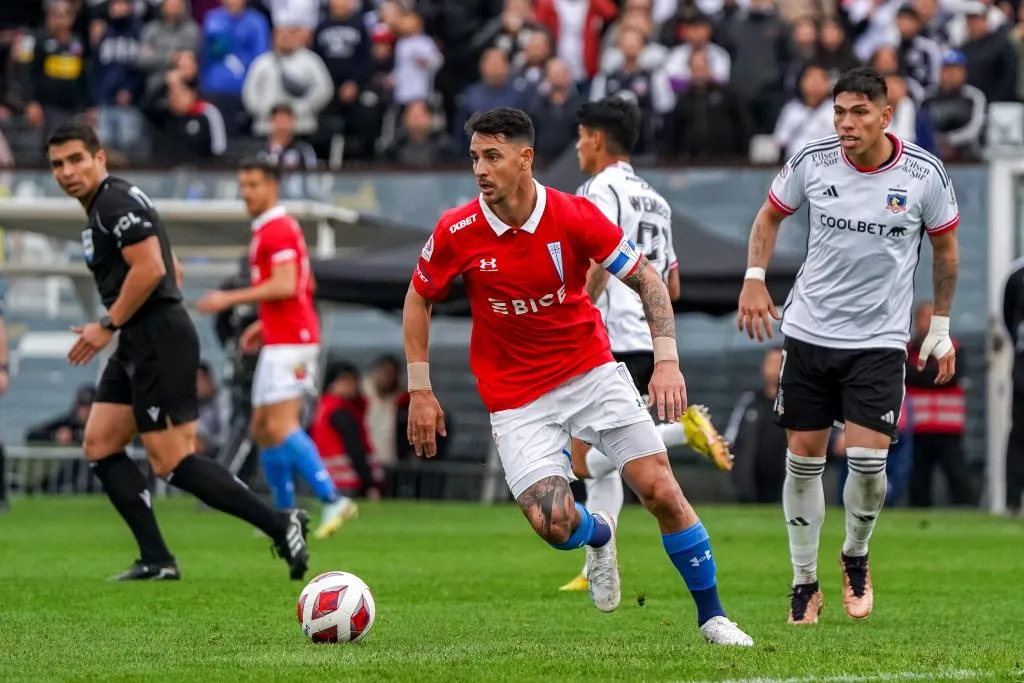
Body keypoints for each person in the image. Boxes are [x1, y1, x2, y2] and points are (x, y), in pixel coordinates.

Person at [404, 107, 753, 646]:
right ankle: (599, 533)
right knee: (556, 524)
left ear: (526, 159)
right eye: (474, 157)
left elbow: (649, 280)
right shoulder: (458, 229)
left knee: (660, 488)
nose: (480, 169)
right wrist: (420, 389)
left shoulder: (573, 214)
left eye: (492, 156)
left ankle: (713, 617)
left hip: (590, 372)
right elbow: (418, 297)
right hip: (517, 398)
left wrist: (666, 361)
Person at [737, 66, 959, 624]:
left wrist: (940, 328)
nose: (846, 123)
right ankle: (803, 582)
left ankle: (855, 556)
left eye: (859, 112)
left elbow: (947, 251)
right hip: (809, 332)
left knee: (865, 465)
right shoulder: (812, 160)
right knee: (803, 462)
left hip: (880, 341)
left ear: (885, 115)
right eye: (839, 112)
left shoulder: (923, 173)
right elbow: (769, 216)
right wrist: (755, 277)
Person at [49, 118, 309, 581]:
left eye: (76, 159)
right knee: (100, 443)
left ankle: (279, 523)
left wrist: (108, 323)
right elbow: (174, 268)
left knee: (172, 460)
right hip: (140, 336)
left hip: (155, 339)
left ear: (99, 158)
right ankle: (157, 558)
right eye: (57, 164)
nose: (67, 171)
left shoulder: (112, 201)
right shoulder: (106, 208)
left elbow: (150, 269)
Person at [559, 95, 734, 593]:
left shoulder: (600, 189)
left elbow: (594, 260)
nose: (577, 147)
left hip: (605, 340)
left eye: (579, 137)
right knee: (608, 454)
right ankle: (596, 563)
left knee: (580, 459)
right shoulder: (656, 198)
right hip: (646, 340)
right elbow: (670, 285)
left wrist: (579, 313)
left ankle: (682, 434)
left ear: (594, 138)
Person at [197, 158, 356, 540]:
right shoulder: (269, 230)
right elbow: (304, 283)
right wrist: (264, 323)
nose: (246, 192)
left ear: (272, 186)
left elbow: (286, 284)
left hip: (294, 344)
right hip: (282, 338)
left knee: (281, 424)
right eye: (242, 184)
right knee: (262, 428)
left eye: (253, 183)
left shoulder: (278, 229)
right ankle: (286, 514)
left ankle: (333, 498)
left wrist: (228, 298)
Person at [905, 300, 973, 506]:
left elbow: (951, 376)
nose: (928, 324)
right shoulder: (907, 351)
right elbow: (908, 374)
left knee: (957, 475)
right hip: (918, 427)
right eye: (924, 318)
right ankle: (918, 515)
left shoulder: (955, 349)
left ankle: (967, 512)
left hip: (948, 428)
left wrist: (920, 374)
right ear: (916, 322)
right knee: (918, 478)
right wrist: (935, 374)